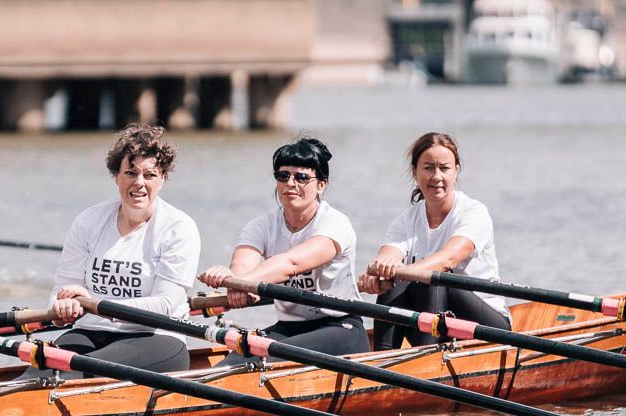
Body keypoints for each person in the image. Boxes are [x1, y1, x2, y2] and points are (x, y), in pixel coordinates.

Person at [37, 124, 201, 376]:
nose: (139, 183)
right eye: (130, 173)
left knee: (75, 373)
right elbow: (63, 288)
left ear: (162, 179)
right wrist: (62, 308)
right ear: (116, 176)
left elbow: (164, 304)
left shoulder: (178, 228)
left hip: (156, 337)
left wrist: (94, 304)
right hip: (89, 331)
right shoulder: (89, 221)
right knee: (38, 372)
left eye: (150, 175)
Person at [199, 136, 370, 360]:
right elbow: (243, 265)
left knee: (265, 359)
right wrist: (235, 282)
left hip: (340, 328)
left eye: (301, 177)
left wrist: (239, 282)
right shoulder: (261, 226)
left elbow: (291, 263)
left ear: (321, 184)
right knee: (231, 364)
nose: (290, 183)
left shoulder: (335, 224)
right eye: (283, 176)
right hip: (287, 329)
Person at [358, 131, 510, 350]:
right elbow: (387, 257)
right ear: (415, 172)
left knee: (434, 278)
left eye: (444, 168)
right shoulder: (405, 221)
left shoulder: (473, 212)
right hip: (438, 325)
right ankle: (383, 356)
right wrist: (376, 273)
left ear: (456, 171)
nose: (436, 176)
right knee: (396, 277)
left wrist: (399, 272)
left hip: (486, 325)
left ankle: (426, 359)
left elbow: (448, 259)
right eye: (428, 168)